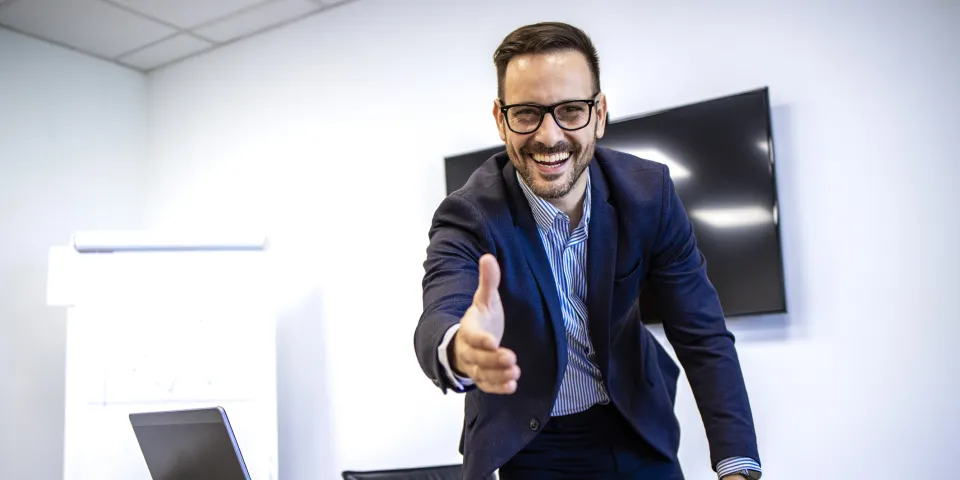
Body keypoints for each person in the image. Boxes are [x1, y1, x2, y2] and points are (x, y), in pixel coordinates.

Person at [413, 21, 762, 480]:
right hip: (534, 440)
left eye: (571, 110)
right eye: (526, 114)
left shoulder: (648, 194)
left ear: (599, 113)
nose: (550, 135)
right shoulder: (468, 215)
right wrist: (461, 348)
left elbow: (701, 332)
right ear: (501, 120)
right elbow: (440, 310)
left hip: (635, 421)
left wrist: (736, 467)